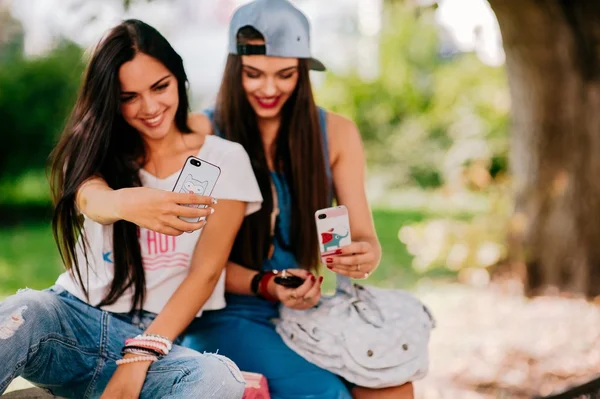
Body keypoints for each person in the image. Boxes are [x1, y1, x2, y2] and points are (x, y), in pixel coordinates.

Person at [0, 19, 262, 399]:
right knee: (24, 308)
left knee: (219, 378)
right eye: (129, 97)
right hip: (71, 323)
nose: (150, 107)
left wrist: (140, 354)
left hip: (155, 341)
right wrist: (128, 203)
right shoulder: (92, 150)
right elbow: (92, 200)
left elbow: (205, 273)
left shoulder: (225, 158)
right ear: (109, 99)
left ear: (179, 78)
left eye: (160, 87)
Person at [182, 1, 415, 398]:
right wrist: (267, 284)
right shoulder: (201, 133)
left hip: (304, 312)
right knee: (326, 393)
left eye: (285, 74)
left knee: (392, 387)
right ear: (234, 68)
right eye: (254, 74)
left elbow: (366, 239)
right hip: (222, 313)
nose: (269, 89)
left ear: (304, 72)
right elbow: (181, 263)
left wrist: (362, 256)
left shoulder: (337, 133)